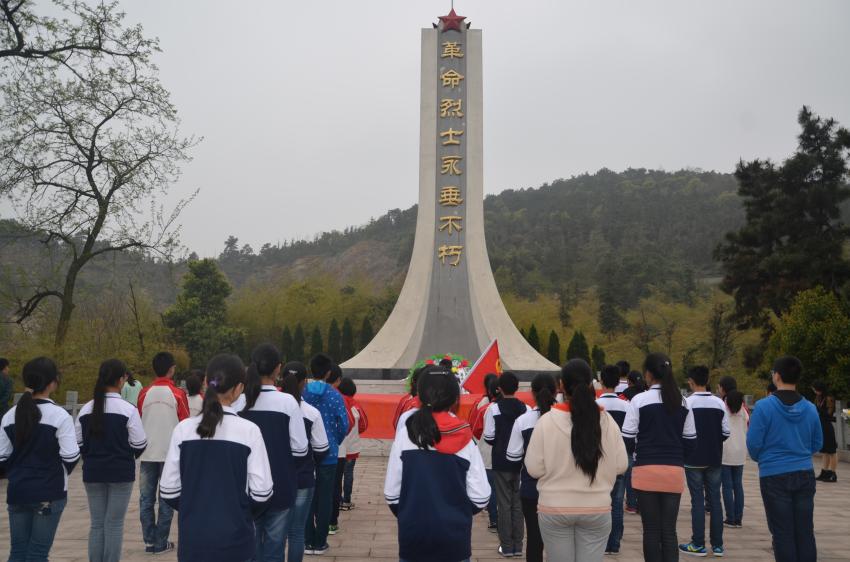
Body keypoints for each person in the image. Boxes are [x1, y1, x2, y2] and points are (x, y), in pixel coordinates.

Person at [159, 353, 273, 562]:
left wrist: (195, 507)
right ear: (239, 388)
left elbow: (168, 489)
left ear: (206, 382)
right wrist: (238, 512)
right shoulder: (250, 431)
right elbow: (262, 492)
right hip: (236, 541)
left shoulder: (183, 430)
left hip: (193, 540)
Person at [525, 359, 628, 562]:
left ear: (561, 385)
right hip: (597, 508)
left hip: (555, 508)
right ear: (591, 384)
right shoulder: (607, 421)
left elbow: (534, 468)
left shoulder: (546, 421)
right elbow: (621, 465)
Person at [384, 367, 490, 562]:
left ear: (420, 395)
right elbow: (481, 497)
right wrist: (457, 514)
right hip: (454, 540)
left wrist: (412, 513)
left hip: (413, 537)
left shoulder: (406, 434)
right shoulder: (466, 439)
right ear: (455, 398)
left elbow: (392, 493)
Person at [0, 357, 80, 561]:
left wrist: (19, 472)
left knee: (18, 552)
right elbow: (71, 455)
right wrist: (56, 473)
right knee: (37, 553)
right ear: (53, 382)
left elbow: (2, 457)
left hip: (18, 490)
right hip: (49, 491)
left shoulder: (10, 415)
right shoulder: (59, 415)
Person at [622, 353, 696, 562]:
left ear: (648, 374)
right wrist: (676, 458)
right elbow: (691, 441)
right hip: (673, 471)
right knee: (669, 531)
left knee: (651, 530)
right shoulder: (683, 402)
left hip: (645, 470)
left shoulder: (638, 400)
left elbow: (627, 437)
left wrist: (638, 453)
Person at [747, 356, 822, 562]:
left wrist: (766, 458)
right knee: (805, 532)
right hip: (804, 473)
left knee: (782, 533)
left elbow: (753, 445)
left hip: (774, 475)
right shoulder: (810, 408)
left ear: (777, 376)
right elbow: (817, 443)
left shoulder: (763, 407)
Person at [239, 344, 309, 562]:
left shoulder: (240, 401)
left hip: (246, 487)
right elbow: (301, 449)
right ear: (278, 368)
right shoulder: (287, 402)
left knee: (250, 547)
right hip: (281, 485)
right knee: (275, 548)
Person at [76, 359, 147, 562]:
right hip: (120, 472)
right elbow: (140, 442)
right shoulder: (128, 409)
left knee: (97, 523)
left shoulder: (86, 409)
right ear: (121, 379)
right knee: (114, 524)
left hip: (93, 472)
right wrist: (126, 454)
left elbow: (77, 443)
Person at [136, 351, 189, 554]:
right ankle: (161, 541)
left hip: (147, 453)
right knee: (167, 498)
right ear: (171, 369)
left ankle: (149, 540)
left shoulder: (144, 393)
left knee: (146, 499)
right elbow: (185, 423)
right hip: (170, 454)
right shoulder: (178, 394)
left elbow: (137, 419)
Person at [281, 362, 329, 562]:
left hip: (275, 477)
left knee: (274, 530)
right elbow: (322, 448)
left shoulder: (268, 407)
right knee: (296, 531)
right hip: (302, 476)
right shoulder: (311, 412)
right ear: (305, 382)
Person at [679, 366, 730, 557]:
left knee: (697, 501)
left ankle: (698, 543)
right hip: (714, 458)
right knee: (715, 500)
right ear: (708, 380)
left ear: (691, 382)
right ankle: (718, 545)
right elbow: (726, 432)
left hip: (693, 459)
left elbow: (682, 431)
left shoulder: (686, 402)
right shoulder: (719, 403)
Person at [506, 373, 556, 562]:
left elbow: (512, 456)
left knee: (534, 540)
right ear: (556, 391)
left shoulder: (523, 421)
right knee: (560, 543)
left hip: (531, 489)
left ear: (532, 393)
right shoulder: (567, 419)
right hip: (561, 489)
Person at [302, 354, 349, 556]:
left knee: (306, 497)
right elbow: (344, 424)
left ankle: (307, 541)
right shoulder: (335, 395)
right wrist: (334, 441)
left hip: (305, 452)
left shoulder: (302, 392)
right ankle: (320, 542)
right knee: (325, 497)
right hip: (328, 454)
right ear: (329, 373)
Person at [484, 371, 531, 557]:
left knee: (503, 504)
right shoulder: (526, 408)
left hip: (501, 461)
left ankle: (506, 546)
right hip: (521, 463)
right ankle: (518, 546)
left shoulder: (493, 409)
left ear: (499, 388)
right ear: (517, 387)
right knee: (518, 504)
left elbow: (488, 437)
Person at [596, 365, 630, 555]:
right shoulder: (626, 406)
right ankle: (614, 543)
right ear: (618, 382)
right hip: (619, 459)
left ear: (601, 381)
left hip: (599, 460)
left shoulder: (594, 405)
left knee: (600, 503)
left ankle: (601, 542)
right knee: (617, 503)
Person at [470, 373, 501, 532]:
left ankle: (494, 520)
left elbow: (476, 430)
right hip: (510, 456)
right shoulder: (522, 408)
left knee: (492, 488)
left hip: (488, 454)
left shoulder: (485, 409)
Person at [718, 376, 748, 528]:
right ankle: (738, 518)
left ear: (723, 388)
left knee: (727, 486)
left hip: (726, 450)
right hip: (740, 450)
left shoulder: (722, 406)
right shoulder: (743, 408)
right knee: (738, 485)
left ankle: (730, 518)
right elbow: (747, 426)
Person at [338, 377, 368, 511]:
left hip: (339, 446)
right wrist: (355, 432)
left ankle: (337, 500)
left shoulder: (337, 402)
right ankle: (347, 500)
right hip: (352, 446)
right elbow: (364, 424)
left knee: (337, 474)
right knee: (348, 473)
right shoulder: (356, 405)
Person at [621, 369, 645, 515]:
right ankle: (640, 503)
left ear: (629, 381)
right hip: (642, 439)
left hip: (628, 436)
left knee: (629, 473)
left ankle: (631, 504)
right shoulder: (645, 394)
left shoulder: (624, 395)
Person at [812, 380, 838, 482]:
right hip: (820, 426)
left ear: (820, 389)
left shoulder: (829, 398)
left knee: (832, 451)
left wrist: (818, 410)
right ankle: (824, 472)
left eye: (815, 389)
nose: (814, 391)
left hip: (827, 426)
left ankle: (833, 474)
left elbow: (829, 414)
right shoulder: (818, 398)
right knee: (824, 451)